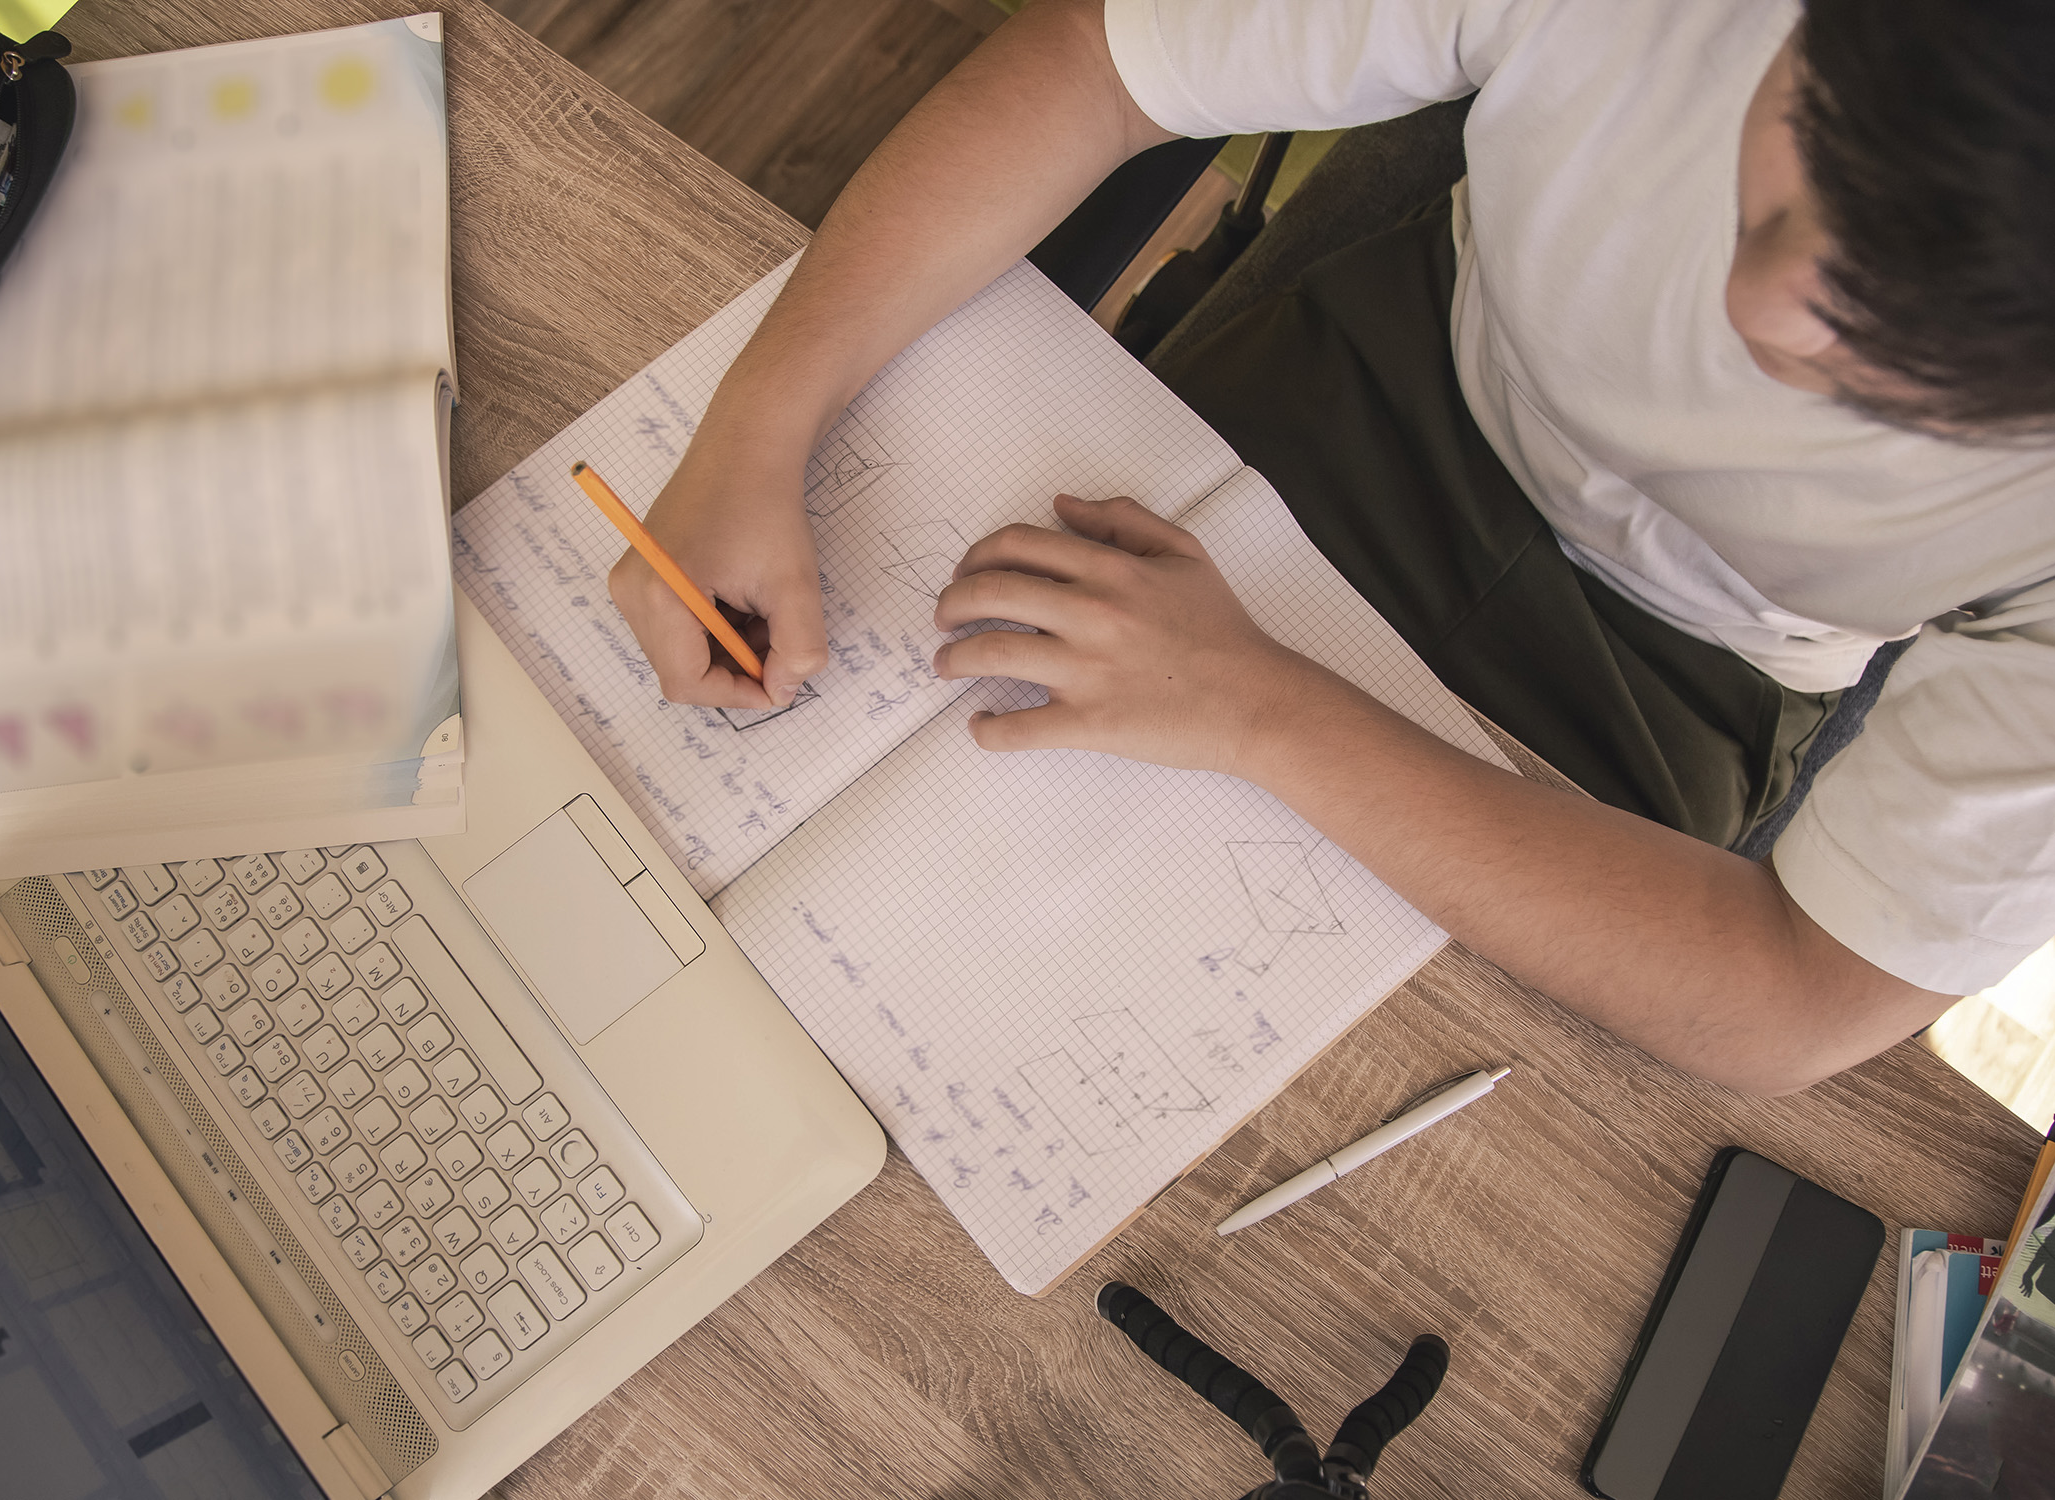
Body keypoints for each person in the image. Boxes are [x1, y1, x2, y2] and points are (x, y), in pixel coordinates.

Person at [606, 0, 2055, 1096]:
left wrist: (1257, 708)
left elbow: (1788, 997)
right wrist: (757, 423)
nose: (1758, 315)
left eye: (1891, 351)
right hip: (1399, 354)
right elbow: (1102, 64)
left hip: (1694, 670)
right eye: (1792, 182)